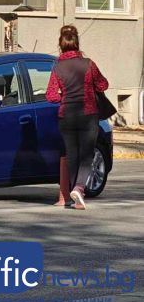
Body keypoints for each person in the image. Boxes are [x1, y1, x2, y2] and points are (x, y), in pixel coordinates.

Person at [46, 25, 109, 210]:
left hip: (66, 116)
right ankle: (79, 188)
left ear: (61, 45)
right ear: (77, 43)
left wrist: (63, 97)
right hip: (88, 114)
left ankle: (76, 194)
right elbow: (103, 84)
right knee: (86, 155)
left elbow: (50, 96)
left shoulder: (58, 68)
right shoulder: (88, 64)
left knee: (72, 155)